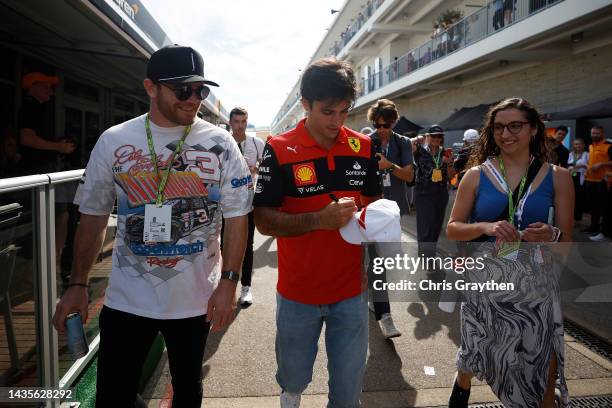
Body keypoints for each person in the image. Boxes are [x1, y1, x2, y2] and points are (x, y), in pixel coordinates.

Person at [52, 45, 251, 407]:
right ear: (151, 88)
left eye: (201, 90)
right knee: (113, 395)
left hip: (195, 301)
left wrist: (229, 282)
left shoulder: (220, 143)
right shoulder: (114, 140)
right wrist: (78, 284)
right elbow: (94, 216)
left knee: (187, 391)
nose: (194, 99)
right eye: (183, 90)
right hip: (127, 299)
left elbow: (237, 216)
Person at [253, 57, 382, 408]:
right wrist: (318, 220)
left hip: (350, 292)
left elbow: (375, 209)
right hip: (297, 292)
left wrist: (376, 245)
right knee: (293, 378)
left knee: (347, 391)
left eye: (344, 111)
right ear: (306, 104)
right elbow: (263, 219)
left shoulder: (364, 147)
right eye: (328, 112)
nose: (337, 122)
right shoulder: (278, 148)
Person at [446, 97, 573, 408]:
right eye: (499, 127)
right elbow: (453, 227)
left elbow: (566, 242)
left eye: (515, 125)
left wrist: (551, 234)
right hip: (487, 281)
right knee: (481, 350)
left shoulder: (559, 176)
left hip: (536, 285)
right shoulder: (475, 175)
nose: (506, 134)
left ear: (533, 129)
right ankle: (463, 382)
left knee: (542, 360)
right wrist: (487, 228)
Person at [18, 71, 77, 285]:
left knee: (61, 216)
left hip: (43, 171)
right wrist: (58, 147)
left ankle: (54, 263)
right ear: (33, 86)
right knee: (58, 216)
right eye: (46, 87)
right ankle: (52, 264)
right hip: (39, 173)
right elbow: (26, 138)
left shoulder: (38, 108)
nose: (50, 92)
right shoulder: (30, 107)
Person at [364, 99, 414, 339]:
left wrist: (388, 165)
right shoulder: (367, 142)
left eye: (385, 125)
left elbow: (409, 175)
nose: (381, 129)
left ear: (393, 123)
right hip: (371, 209)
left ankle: (374, 296)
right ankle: (385, 316)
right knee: (378, 263)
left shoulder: (402, 143)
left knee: (385, 262)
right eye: (377, 124)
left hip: (393, 210)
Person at [227, 106, 264, 305]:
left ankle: (246, 287)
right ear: (230, 122)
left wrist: (255, 168)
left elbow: (266, 168)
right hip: (224, 203)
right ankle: (225, 288)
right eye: (236, 122)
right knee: (223, 245)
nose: (240, 126)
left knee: (247, 246)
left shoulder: (256, 143)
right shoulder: (223, 142)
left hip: (248, 202)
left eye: (243, 122)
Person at [411, 125, 456, 263]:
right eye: (434, 136)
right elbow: (408, 143)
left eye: (439, 136)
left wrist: (448, 164)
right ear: (428, 137)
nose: (437, 139)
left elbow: (452, 178)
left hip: (440, 192)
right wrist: (420, 137)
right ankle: (426, 257)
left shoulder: (446, 153)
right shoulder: (420, 151)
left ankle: (431, 254)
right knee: (426, 225)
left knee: (436, 226)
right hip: (423, 192)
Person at [584, 125, 612, 242]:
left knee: (604, 207)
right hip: (590, 180)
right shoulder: (591, 146)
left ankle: (604, 231)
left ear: (602, 133)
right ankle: (593, 227)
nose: (594, 135)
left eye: (597, 133)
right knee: (593, 206)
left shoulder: (609, 146)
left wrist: (601, 164)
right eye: (593, 133)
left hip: (603, 181)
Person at [567, 138, 589, 222]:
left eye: (580, 144)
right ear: (574, 145)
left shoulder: (586, 154)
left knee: (579, 199)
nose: (578, 146)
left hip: (581, 178)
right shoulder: (571, 154)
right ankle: (571, 218)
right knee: (571, 198)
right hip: (571, 177)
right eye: (576, 144)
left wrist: (578, 166)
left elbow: (588, 166)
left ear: (583, 145)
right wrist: (577, 166)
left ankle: (578, 219)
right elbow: (568, 165)